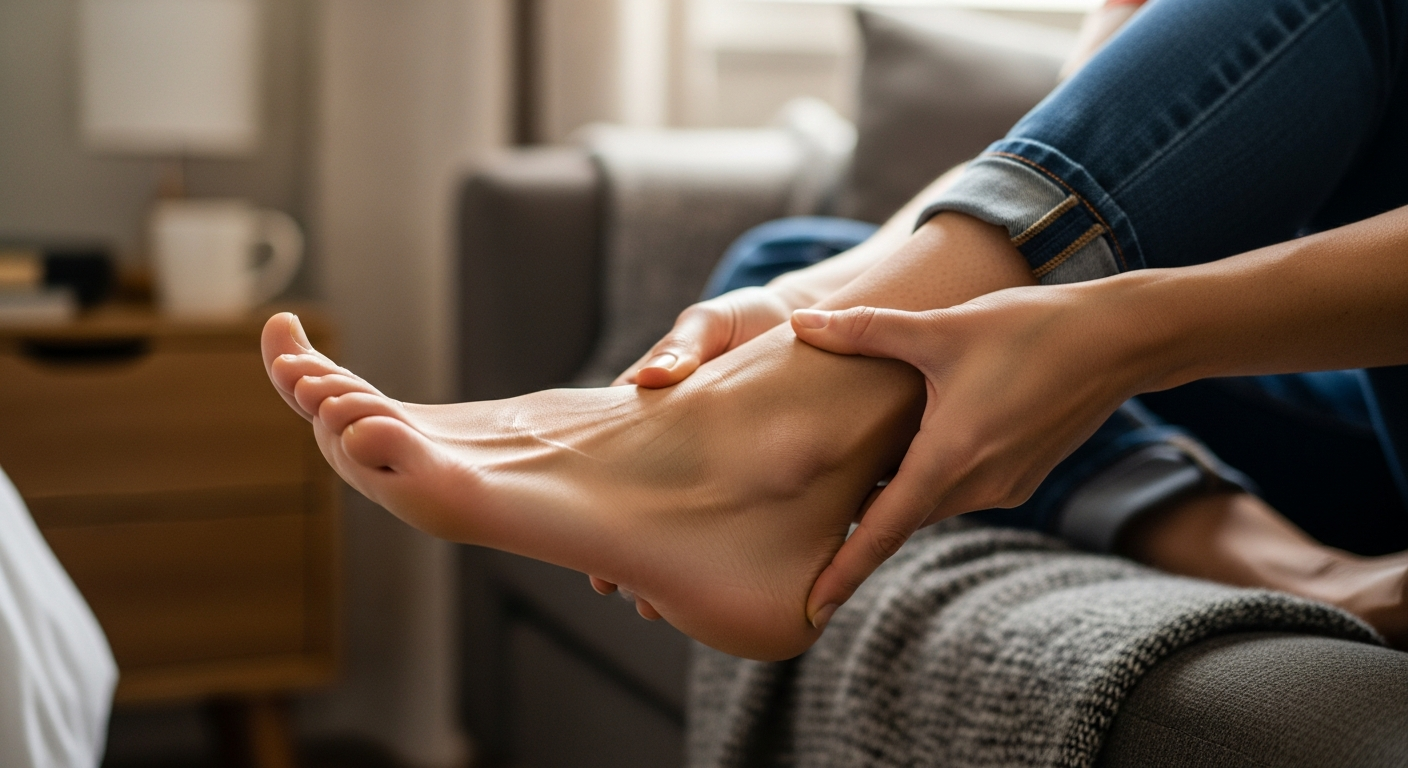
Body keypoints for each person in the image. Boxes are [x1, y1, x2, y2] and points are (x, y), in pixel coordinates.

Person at [263, 0, 1408, 661]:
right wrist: (834, 297)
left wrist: (1126, 329)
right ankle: (771, 429)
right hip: (1353, 395)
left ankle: (757, 444)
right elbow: (1119, 123)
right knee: (785, 262)